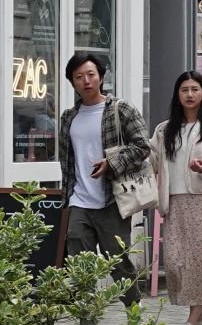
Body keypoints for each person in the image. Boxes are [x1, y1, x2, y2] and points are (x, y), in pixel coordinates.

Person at [57, 51, 151, 311]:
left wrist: (112, 163)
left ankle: (134, 310)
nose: (86, 81)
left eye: (91, 74)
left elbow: (143, 146)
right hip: (79, 200)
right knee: (80, 265)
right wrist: (66, 197)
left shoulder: (121, 110)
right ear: (72, 82)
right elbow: (67, 161)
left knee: (118, 261)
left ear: (100, 77)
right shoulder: (68, 117)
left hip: (112, 200)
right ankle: (86, 320)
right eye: (79, 77)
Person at [150, 71, 202, 325]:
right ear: (177, 95)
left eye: (195, 89)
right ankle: (197, 311)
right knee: (174, 261)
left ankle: (194, 317)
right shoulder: (164, 130)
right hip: (173, 201)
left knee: (200, 262)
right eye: (184, 90)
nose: (190, 94)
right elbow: (151, 160)